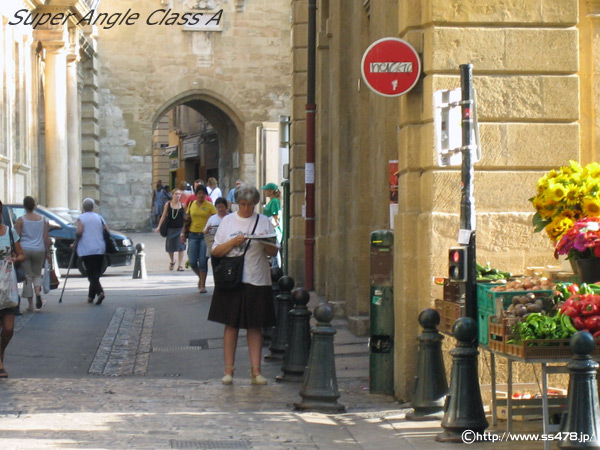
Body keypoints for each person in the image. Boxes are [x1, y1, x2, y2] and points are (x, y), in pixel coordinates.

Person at [207, 184, 278, 385]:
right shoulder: (228, 222)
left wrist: (265, 242)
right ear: (238, 203)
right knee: (231, 325)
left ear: (256, 204)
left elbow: (273, 252)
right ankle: (228, 370)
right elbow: (216, 251)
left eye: (251, 205)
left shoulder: (264, 222)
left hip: (257, 279)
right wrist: (233, 243)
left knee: (255, 326)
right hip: (232, 280)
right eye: (243, 204)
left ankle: (256, 371)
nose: (247, 208)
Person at [0, 200, 25, 378]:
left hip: (7, 284)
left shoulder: (9, 232)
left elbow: (21, 253)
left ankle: (0, 355)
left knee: (8, 329)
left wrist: (16, 259)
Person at [15, 196, 49, 312]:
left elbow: (17, 237)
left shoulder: (21, 220)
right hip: (39, 249)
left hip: (25, 249)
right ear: (34, 206)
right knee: (37, 274)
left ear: (24, 206)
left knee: (28, 276)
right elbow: (46, 238)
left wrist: (16, 252)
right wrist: (48, 253)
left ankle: (30, 304)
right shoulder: (42, 219)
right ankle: (38, 293)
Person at [181, 184, 216, 293]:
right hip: (193, 234)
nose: (201, 195)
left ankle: (202, 285)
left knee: (202, 261)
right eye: (199, 193)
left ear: (206, 195)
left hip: (205, 236)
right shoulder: (192, 204)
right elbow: (187, 220)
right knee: (192, 261)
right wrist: (183, 234)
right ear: (196, 194)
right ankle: (201, 278)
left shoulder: (210, 205)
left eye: (203, 193)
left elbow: (215, 218)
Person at [76, 198, 107, 305]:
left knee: (91, 274)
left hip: (87, 249)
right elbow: (105, 229)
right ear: (93, 207)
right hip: (99, 248)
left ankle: (100, 292)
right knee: (95, 274)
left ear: (83, 207)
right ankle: (90, 297)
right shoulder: (99, 217)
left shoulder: (81, 218)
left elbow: (79, 231)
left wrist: (74, 243)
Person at [154, 189, 186, 271]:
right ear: (172, 195)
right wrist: (158, 226)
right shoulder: (168, 204)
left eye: (179, 194)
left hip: (180, 228)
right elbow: (163, 216)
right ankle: (172, 261)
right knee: (170, 247)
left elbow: (185, 218)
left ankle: (180, 265)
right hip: (170, 229)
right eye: (176, 194)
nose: (178, 195)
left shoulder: (182, 206)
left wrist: (185, 229)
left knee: (181, 247)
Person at [261, 182, 282, 266]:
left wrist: (273, 225)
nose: (265, 191)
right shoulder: (271, 201)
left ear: (271, 191)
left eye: (266, 190)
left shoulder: (275, 201)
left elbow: (275, 215)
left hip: (273, 228)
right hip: (269, 226)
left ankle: (276, 268)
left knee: (274, 250)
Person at [203, 197, 228, 261]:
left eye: (222, 207)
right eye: (218, 207)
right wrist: (207, 230)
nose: (220, 209)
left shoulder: (230, 217)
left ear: (226, 207)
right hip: (214, 244)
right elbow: (204, 231)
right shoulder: (212, 218)